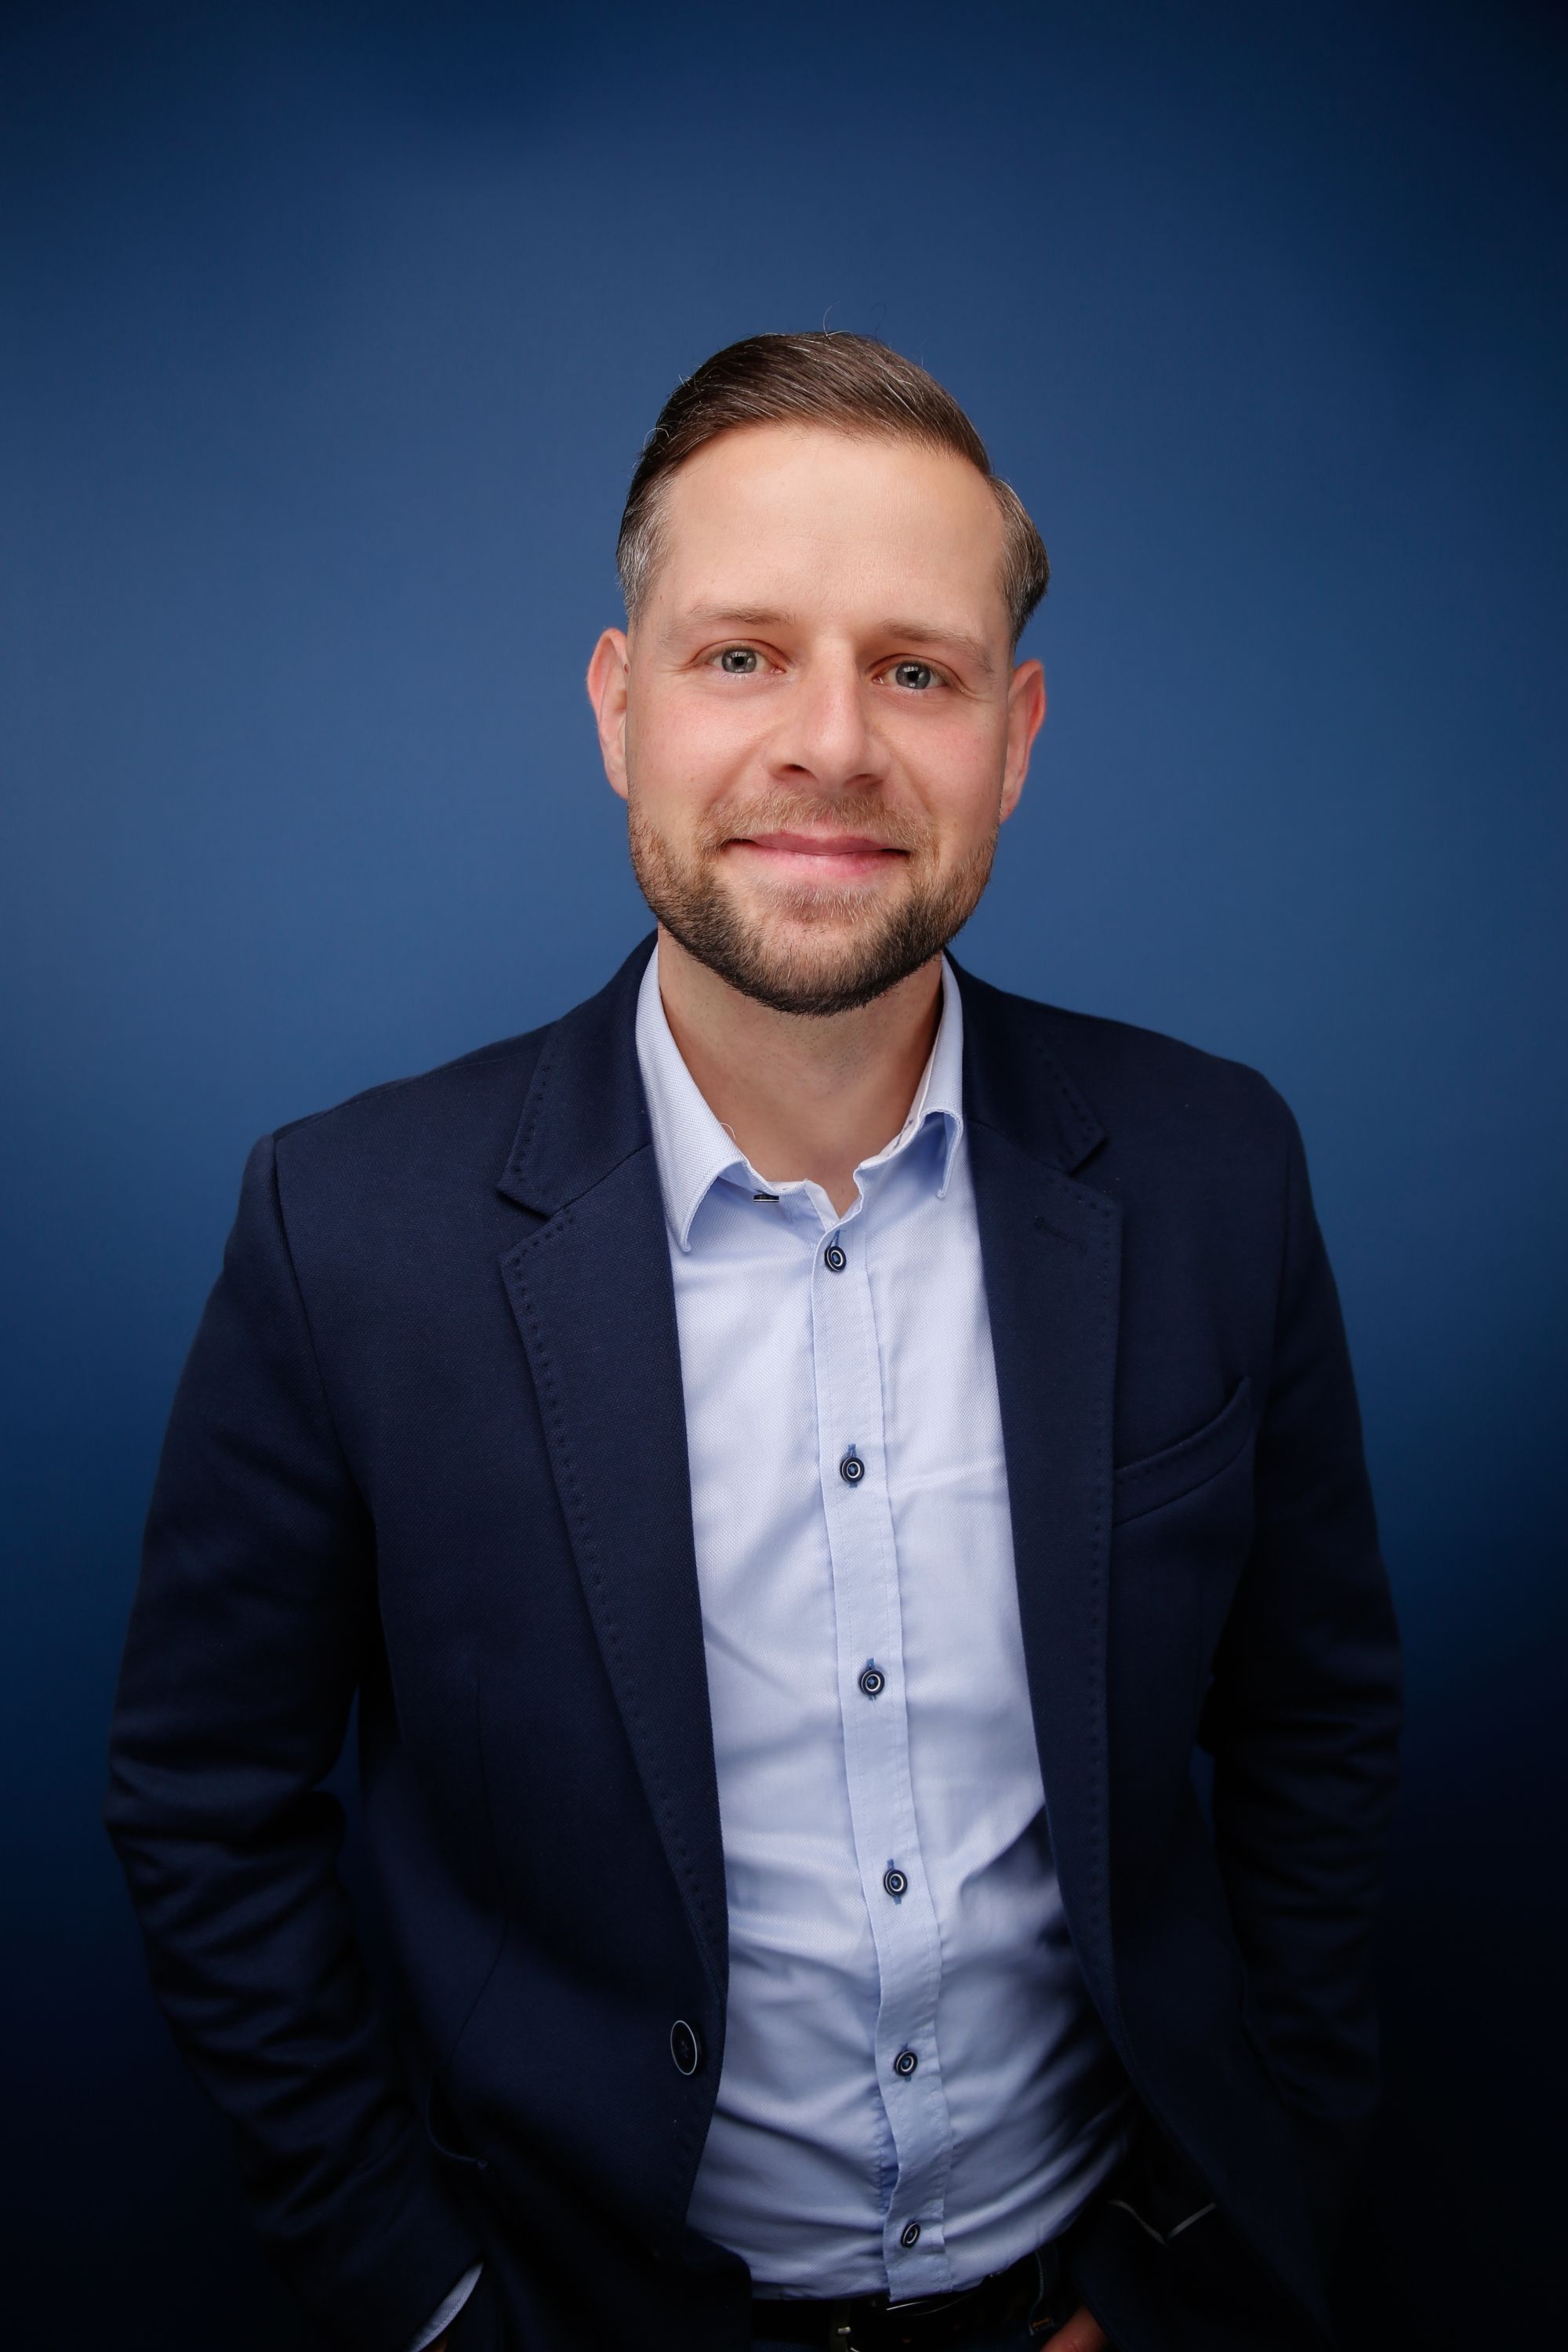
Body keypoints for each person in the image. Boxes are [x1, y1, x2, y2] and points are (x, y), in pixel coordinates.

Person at [105, 332, 1401, 2352]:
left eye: (918, 671)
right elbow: (206, 1804)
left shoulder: (1220, 1170)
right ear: (618, 707)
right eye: (741, 657)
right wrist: (428, 2305)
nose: (834, 744)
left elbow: (1319, 1737)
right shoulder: (342, 1231)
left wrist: (1206, 2263)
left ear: (1015, 735)